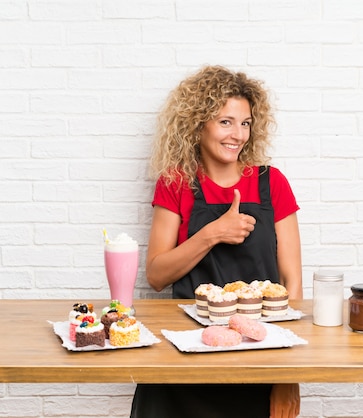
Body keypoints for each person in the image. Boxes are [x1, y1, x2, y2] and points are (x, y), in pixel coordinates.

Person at [130, 65, 303, 418]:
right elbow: (157, 275)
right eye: (225, 121)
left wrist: (288, 376)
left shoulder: (273, 183)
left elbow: (293, 285)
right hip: (184, 356)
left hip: (258, 357)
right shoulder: (176, 183)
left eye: (245, 123)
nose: (238, 134)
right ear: (198, 124)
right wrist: (213, 233)